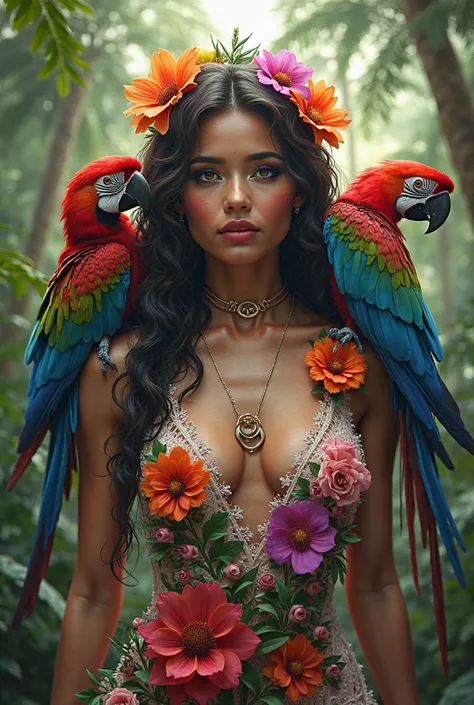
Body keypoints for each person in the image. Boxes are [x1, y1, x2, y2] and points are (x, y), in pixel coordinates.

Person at [50, 43, 420, 705]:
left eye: (265, 170)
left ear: (300, 187)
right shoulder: (119, 367)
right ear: (174, 195)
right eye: (208, 175)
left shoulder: (359, 363)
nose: (239, 198)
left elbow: (375, 583)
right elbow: (90, 589)